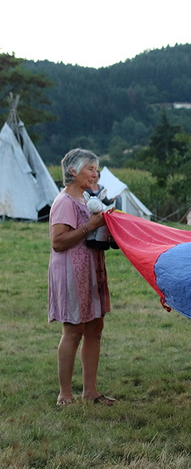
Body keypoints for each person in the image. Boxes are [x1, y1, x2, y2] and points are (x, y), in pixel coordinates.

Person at [48, 148, 113, 407]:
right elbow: (58, 241)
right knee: (74, 330)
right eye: (90, 168)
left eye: (96, 169)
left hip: (91, 270)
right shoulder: (64, 202)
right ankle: (65, 393)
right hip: (71, 273)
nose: (95, 173)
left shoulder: (88, 199)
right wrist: (91, 226)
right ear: (73, 171)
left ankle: (91, 392)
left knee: (95, 328)